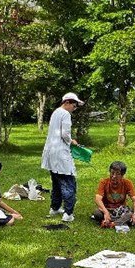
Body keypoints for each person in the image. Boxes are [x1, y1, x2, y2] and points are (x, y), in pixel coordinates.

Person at [40, 92, 84, 223]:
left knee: (57, 183)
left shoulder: (56, 112)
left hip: (51, 152)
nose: (74, 109)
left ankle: (55, 207)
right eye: (74, 106)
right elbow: (65, 133)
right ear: (67, 102)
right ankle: (68, 213)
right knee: (69, 183)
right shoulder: (65, 114)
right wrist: (72, 141)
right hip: (60, 153)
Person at [91, 160, 135, 227]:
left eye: (117, 174)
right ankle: (123, 220)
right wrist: (105, 212)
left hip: (121, 210)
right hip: (107, 209)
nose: (114, 176)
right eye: (112, 173)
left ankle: (112, 223)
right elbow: (98, 199)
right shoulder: (104, 182)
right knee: (97, 213)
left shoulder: (127, 183)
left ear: (122, 175)